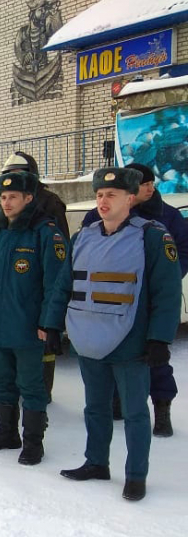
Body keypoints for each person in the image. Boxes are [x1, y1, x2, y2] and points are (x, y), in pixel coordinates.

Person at [44, 167, 181, 501]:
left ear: (130, 199)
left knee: (134, 413)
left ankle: (136, 476)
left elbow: (167, 291)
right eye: (100, 195)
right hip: (88, 338)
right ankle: (96, 462)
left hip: (130, 341)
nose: (103, 201)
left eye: (112, 195)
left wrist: (160, 338)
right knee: (95, 407)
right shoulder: (84, 235)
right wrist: (51, 325)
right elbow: (65, 284)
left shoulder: (152, 236)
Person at [80, 162, 188, 437]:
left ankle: (162, 407)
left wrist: (166, 278)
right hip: (111, 303)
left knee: (154, 358)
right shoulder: (97, 216)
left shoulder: (169, 217)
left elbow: (183, 251)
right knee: (111, 352)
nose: (150, 188)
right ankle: (116, 402)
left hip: (149, 303)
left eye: (152, 184)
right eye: (145, 184)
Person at [0, 171, 66, 465]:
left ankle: (33, 443)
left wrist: (49, 324)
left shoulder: (45, 233)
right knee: (1, 381)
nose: (7, 202)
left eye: (13, 197)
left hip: (28, 328)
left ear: (29, 198)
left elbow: (57, 284)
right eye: (3, 197)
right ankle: (6, 433)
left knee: (31, 386)